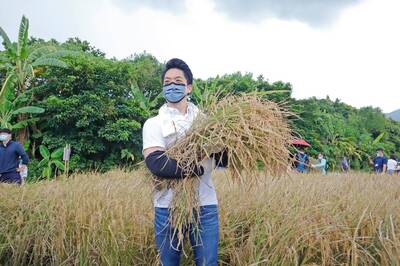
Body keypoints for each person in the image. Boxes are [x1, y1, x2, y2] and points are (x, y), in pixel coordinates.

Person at [142, 58, 226, 266]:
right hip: (167, 206)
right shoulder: (153, 124)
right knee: (169, 263)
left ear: (188, 87)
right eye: (167, 82)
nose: (172, 85)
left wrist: (228, 143)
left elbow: (223, 160)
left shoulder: (207, 122)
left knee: (208, 263)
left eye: (177, 81)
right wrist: (196, 168)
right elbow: (157, 164)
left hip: (205, 206)